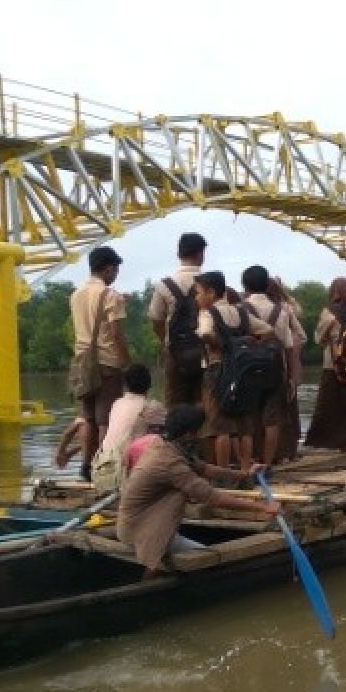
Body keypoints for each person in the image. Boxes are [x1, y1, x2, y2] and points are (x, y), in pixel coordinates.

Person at [117, 405, 278, 578]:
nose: (200, 436)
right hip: (141, 529)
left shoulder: (165, 444)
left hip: (138, 523)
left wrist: (245, 474)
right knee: (206, 558)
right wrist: (263, 507)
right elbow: (212, 497)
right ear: (188, 434)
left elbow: (205, 469)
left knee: (180, 547)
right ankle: (149, 583)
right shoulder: (170, 463)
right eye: (198, 431)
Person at [192, 271, 275, 471]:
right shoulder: (241, 312)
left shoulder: (207, 313)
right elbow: (268, 330)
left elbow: (204, 332)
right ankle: (246, 471)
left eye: (198, 293)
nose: (197, 298)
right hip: (243, 372)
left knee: (222, 428)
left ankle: (224, 473)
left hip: (217, 372)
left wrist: (219, 345)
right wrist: (249, 346)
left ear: (211, 293)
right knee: (244, 427)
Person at [70, 245, 132, 481]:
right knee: (106, 418)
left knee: (87, 417)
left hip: (81, 361)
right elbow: (116, 333)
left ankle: (86, 466)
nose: (116, 274)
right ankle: (104, 465)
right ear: (108, 269)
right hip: (107, 362)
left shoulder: (75, 295)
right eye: (115, 269)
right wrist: (127, 360)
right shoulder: (111, 296)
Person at [239, 265, 300, 471]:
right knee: (272, 419)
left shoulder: (240, 310)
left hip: (247, 371)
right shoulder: (282, 311)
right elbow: (289, 347)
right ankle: (267, 463)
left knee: (248, 418)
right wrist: (291, 377)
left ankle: (249, 463)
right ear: (267, 285)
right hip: (275, 369)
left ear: (245, 286)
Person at [304, 277, 346, 451]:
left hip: (334, 365)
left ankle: (326, 441)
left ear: (334, 291)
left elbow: (318, 338)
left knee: (329, 404)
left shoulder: (329, 312)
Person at [148, 232, 207, 406]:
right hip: (206, 352)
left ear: (178, 254)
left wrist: (166, 341)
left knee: (175, 405)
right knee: (204, 403)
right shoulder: (211, 284)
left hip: (175, 352)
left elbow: (156, 320)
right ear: (201, 254)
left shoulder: (164, 285)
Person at [268, 277, 308, 463]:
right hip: (284, 364)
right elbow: (301, 335)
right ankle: (287, 449)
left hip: (256, 368)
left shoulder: (247, 308)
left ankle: (267, 454)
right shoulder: (285, 309)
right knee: (288, 408)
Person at [100, 364, 166, 455]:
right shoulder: (152, 406)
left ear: (126, 385)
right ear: (149, 384)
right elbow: (170, 432)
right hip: (124, 463)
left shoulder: (117, 404)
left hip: (103, 460)